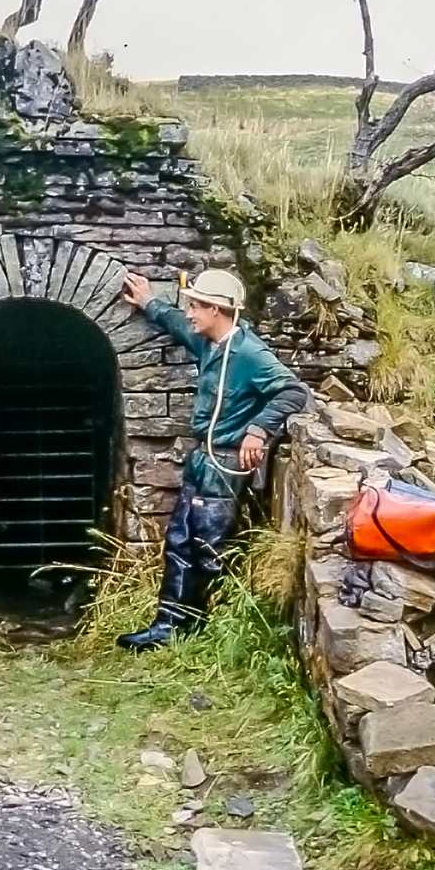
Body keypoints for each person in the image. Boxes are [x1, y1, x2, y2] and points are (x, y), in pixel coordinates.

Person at [116, 266, 309, 650]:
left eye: (195, 307)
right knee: (180, 541)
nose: (188, 313)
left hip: (225, 466)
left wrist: (257, 430)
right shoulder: (210, 343)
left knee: (209, 547)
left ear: (217, 311)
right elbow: (176, 323)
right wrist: (150, 302)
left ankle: (207, 629)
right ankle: (169, 626)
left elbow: (293, 391)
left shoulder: (249, 354)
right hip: (203, 460)